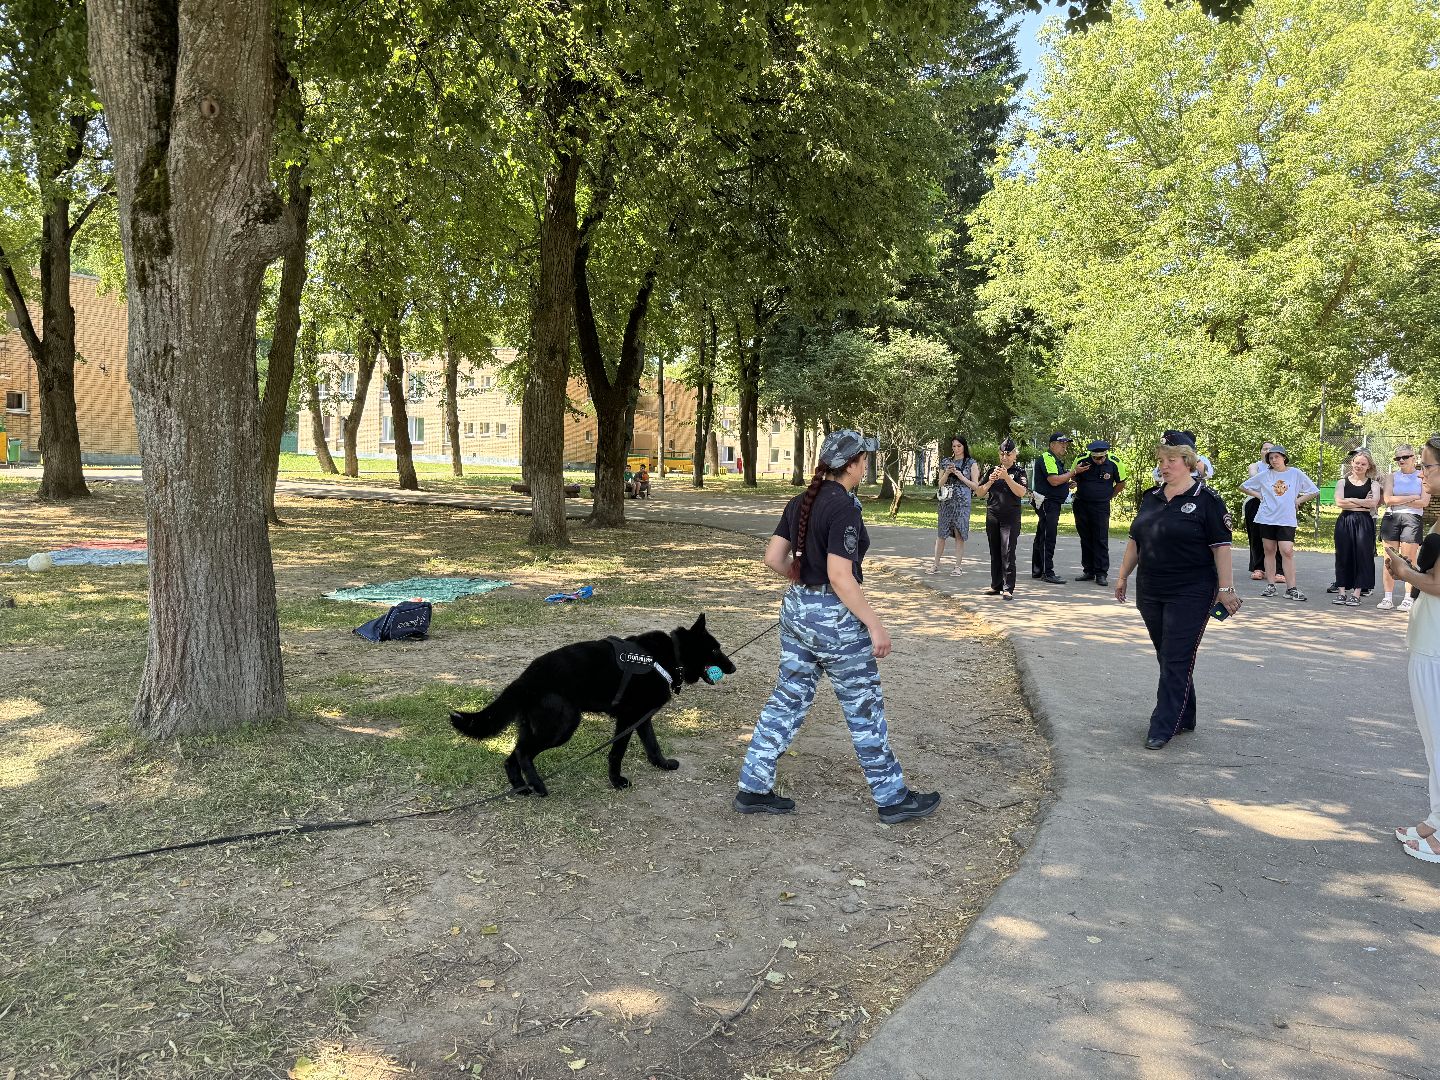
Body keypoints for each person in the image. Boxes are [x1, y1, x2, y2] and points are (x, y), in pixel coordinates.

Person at [735, 428, 941, 824]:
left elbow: (774, 558)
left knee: (787, 699)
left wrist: (804, 588)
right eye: (864, 460)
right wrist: (875, 625)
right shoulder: (844, 507)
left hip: (797, 611)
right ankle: (892, 797)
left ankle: (753, 787)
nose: (866, 466)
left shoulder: (802, 501)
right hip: (836, 620)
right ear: (851, 465)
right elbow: (840, 575)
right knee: (863, 707)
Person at [1114, 431, 1240, 750]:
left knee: (1175, 656)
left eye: (1171, 460)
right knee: (1167, 653)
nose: (1164, 466)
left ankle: (1163, 724)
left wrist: (1225, 589)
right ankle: (1185, 714)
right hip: (1151, 588)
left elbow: (1222, 548)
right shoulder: (1151, 497)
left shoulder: (1207, 501)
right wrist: (1122, 576)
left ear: (1188, 462)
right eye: (1161, 460)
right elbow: (1135, 540)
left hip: (1192, 590)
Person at [1387, 435, 1440, 864]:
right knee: (1431, 740)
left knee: (1438, 740)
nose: (1421, 473)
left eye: (1428, 466)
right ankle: (1435, 819)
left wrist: (1404, 570)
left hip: (1436, 644)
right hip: (1428, 635)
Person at [1240, 444, 1318, 601]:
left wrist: (1299, 500)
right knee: (1269, 550)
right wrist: (1260, 496)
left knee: (1287, 550)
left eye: (1276, 457)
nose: (1274, 460)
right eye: (1270, 458)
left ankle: (1291, 588)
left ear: (1284, 457)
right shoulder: (1265, 475)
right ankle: (1270, 585)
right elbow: (1243, 487)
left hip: (1286, 518)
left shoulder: (1295, 473)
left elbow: (1314, 490)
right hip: (1267, 517)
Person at [1071, 439, 1127, 587]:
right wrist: (1076, 473)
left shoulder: (1115, 462)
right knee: (1086, 538)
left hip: (1101, 506)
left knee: (1100, 539)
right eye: (1096, 458)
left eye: (1102, 458)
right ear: (1091, 455)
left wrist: (1108, 496)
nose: (1099, 461)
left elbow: (1121, 483)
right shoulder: (1081, 459)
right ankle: (1088, 570)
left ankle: (1101, 573)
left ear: (1106, 454)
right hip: (1082, 504)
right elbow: (1072, 476)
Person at [1378, 444, 1426, 612]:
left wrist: (1401, 498)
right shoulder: (1391, 477)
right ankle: (1387, 597)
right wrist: (1412, 496)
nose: (1401, 460)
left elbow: (1424, 502)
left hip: (1412, 518)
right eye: (1397, 458)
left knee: (1408, 559)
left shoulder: (1422, 476)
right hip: (1392, 517)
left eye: (1405, 457)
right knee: (1389, 559)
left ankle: (1408, 598)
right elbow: (1387, 499)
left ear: (1414, 458)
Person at [979, 438, 1028, 600]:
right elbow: (979, 492)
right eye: (1002, 454)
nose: (1004, 457)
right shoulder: (992, 470)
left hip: (1010, 517)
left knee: (1007, 551)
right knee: (995, 550)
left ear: (1014, 455)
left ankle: (1008, 588)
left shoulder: (1019, 472)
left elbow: (1021, 493)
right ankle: (996, 585)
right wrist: (990, 481)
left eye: (1008, 454)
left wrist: (1007, 478)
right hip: (993, 515)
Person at [1331, 449, 1379, 607]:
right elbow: (1339, 503)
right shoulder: (1342, 482)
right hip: (1345, 520)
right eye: (1357, 462)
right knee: (1343, 555)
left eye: (1363, 464)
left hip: (1364, 522)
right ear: (1352, 463)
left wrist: (1350, 499)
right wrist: (1361, 502)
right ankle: (1342, 592)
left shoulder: (1374, 484)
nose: (1359, 466)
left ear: (1368, 466)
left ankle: (1357, 593)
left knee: (1363, 556)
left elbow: (1373, 503)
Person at [932, 436, 979, 575]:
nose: (956, 449)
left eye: (959, 446)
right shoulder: (946, 462)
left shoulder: (971, 463)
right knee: (941, 533)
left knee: (959, 534)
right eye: (954, 446)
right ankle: (935, 564)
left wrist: (961, 476)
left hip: (962, 503)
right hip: (946, 502)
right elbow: (939, 484)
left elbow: (975, 486)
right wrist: (947, 473)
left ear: (964, 446)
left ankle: (957, 566)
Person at [1031, 432, 1074, 584]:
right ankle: (1047, 572)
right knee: (1048, 537)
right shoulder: (1047, 458)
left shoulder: (1054, 460)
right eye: (1061, 442)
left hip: (1050, 502)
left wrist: (1067, 483)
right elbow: (1054, 480)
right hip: (1048, 503)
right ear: (1052, 445)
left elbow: (1057, 482)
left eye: (1066, 442)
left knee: (1042, 534)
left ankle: (1037, 570)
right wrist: (1073, 472)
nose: (1064, 445)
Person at [1244, 442, 1284, 582]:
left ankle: (1279, 570)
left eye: (1271, 450)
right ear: (1261, 452)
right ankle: (1258, 567)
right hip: (1256, 501)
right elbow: (1255, 480)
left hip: (1277, 504)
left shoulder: (1282, 469)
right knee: (1256, 536)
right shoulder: (1255, 466)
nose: (1267, 451)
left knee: (1279, 536)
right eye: (1265, 449)